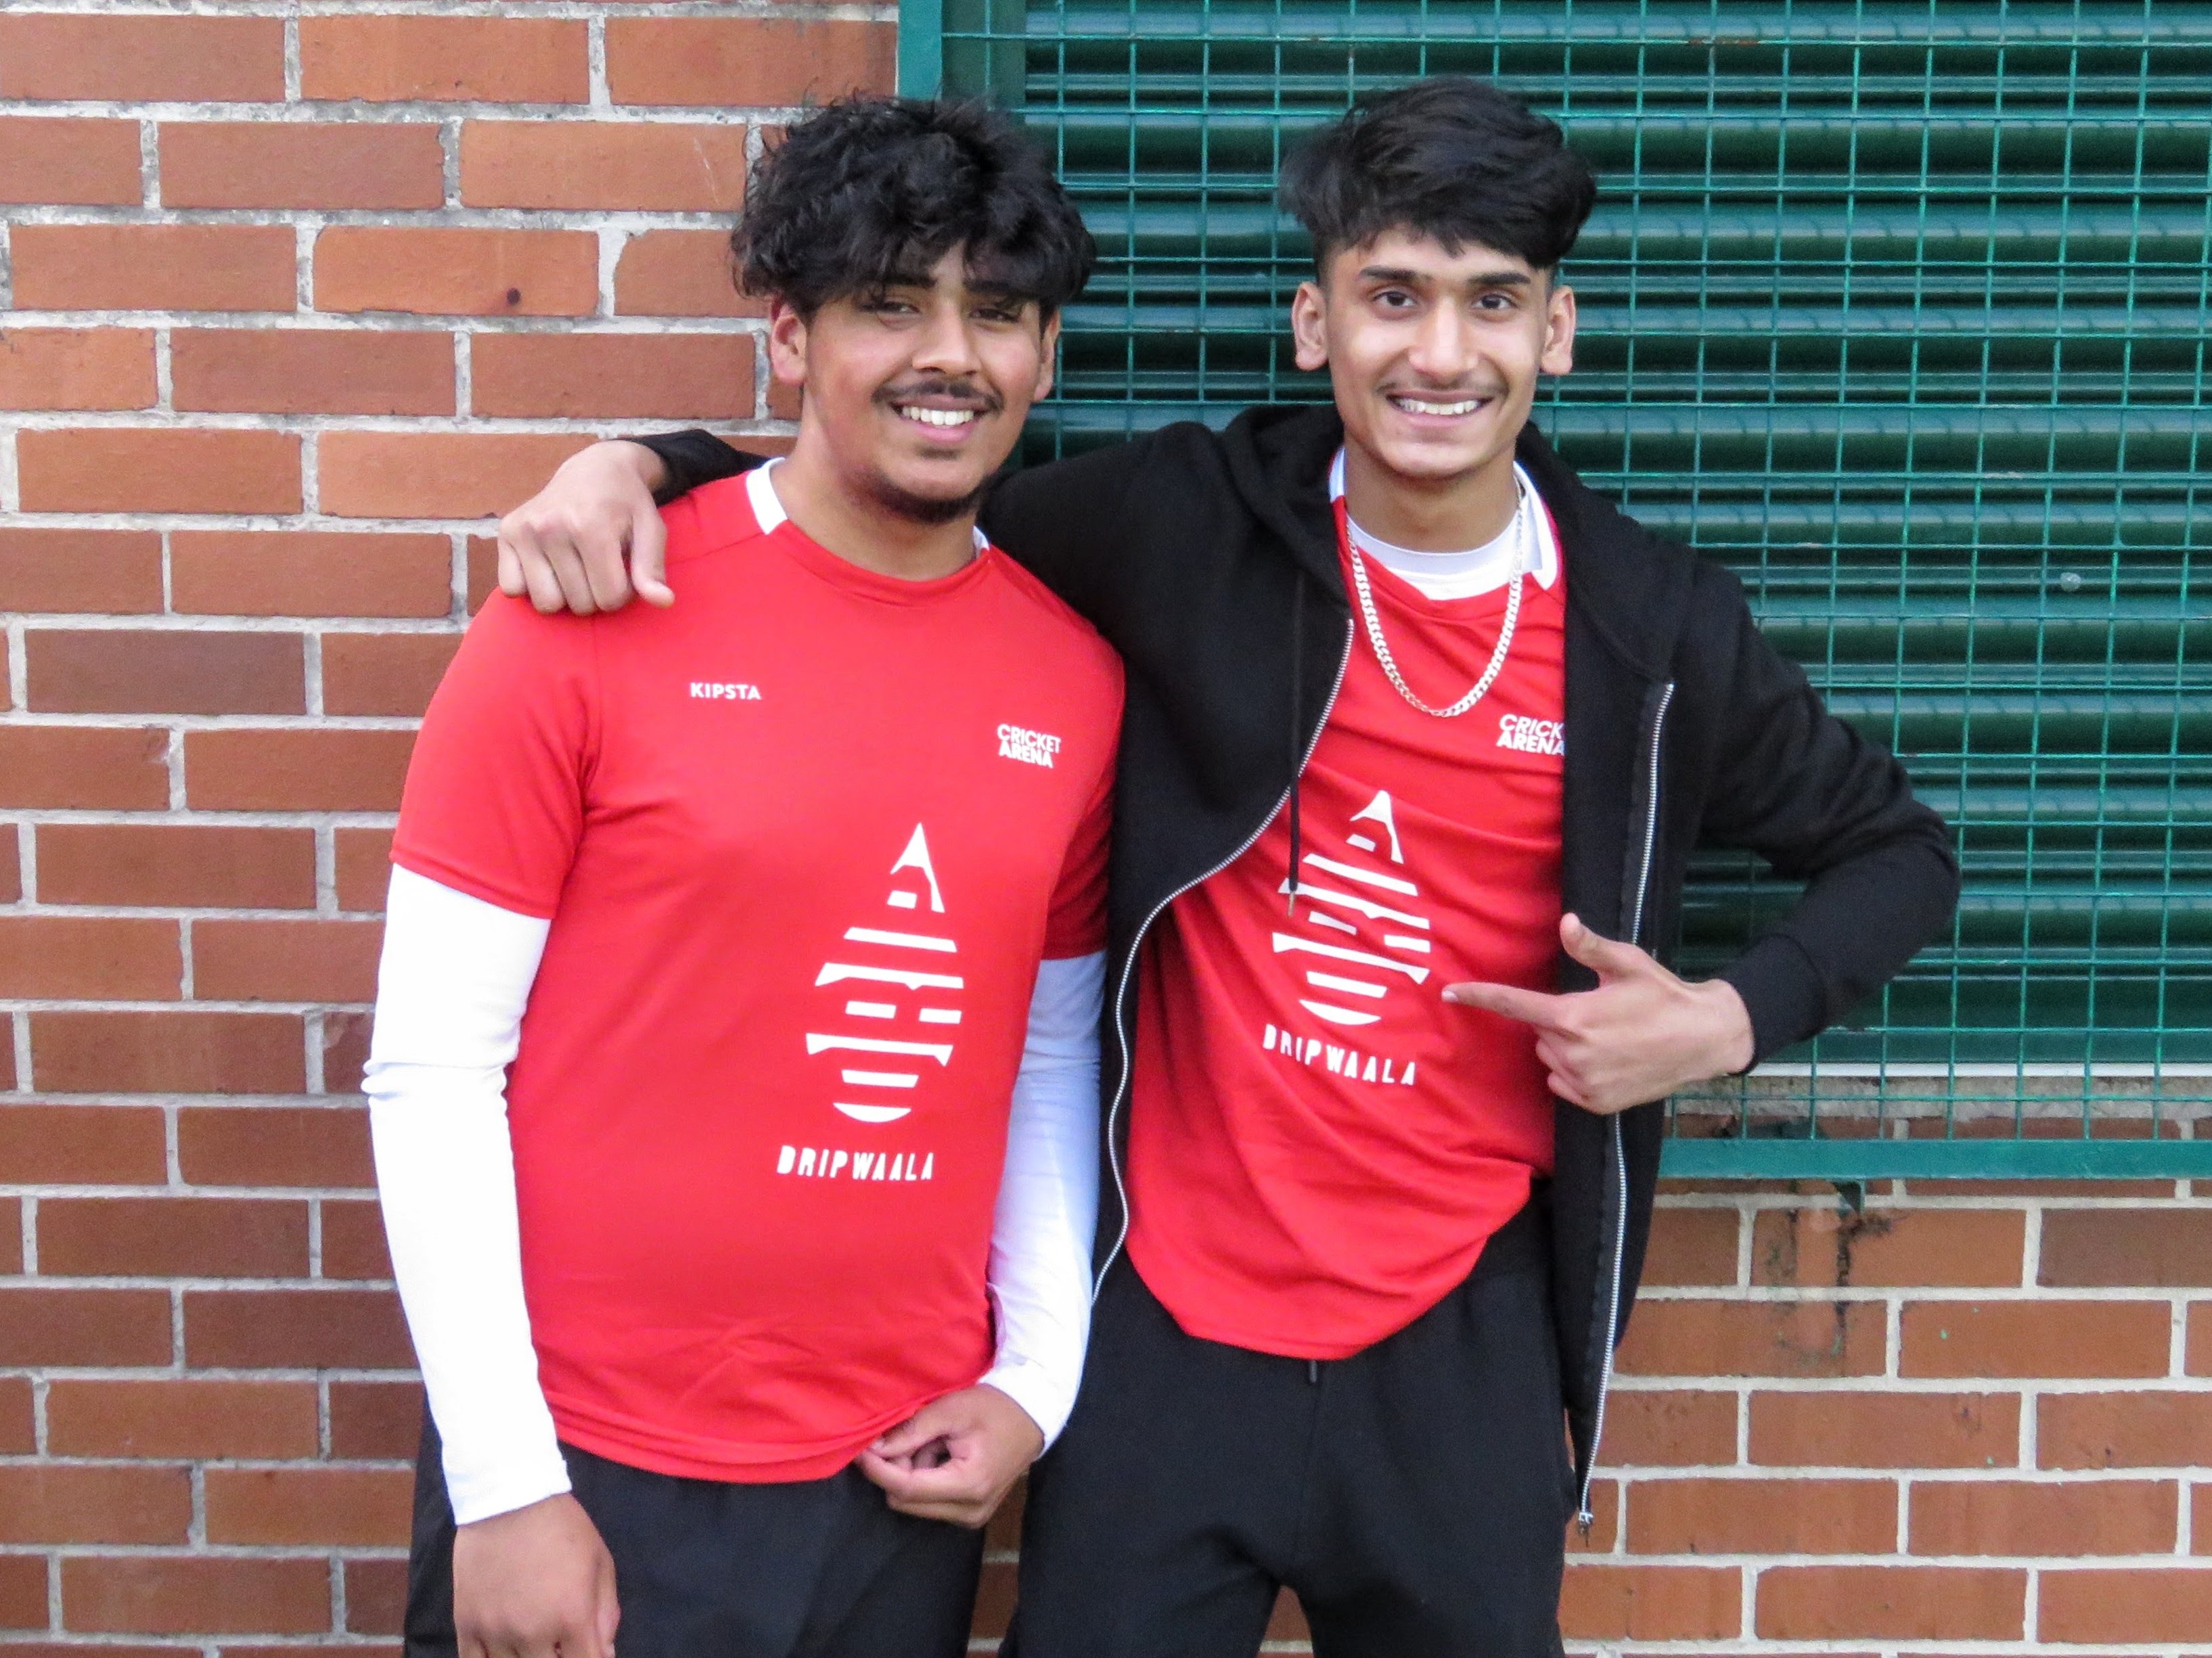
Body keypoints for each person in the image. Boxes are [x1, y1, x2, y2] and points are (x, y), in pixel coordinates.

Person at [495, 76, 1960, 1658]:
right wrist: (640, 464)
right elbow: (893, 494)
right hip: (1164, 1328)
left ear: (1561, 332)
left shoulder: (1652, 629)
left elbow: (1901, 853)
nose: (1442, 354)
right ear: (1315, 324)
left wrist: (1726, 1020)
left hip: (1452, 1334)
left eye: (1493, 303)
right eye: (1391, 296)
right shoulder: (1187, 523)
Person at [366, 97, 1121, 1658]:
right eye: (892, 304)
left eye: (999, 314)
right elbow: (432, 1064)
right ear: (788, 335)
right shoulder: (587, 610)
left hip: (889, 1481)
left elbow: (1050, 1047)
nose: (952, 356)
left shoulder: (1075, 681)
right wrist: (507, 1479)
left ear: (1044, 359)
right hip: (588, 1469)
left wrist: (1034, 1380)